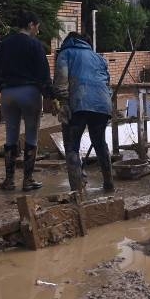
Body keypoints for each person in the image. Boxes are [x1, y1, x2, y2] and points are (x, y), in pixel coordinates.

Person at [0, 11, 53, 191]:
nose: (38, 31)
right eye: (37, 27)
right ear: (31, 25)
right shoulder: (36, 45)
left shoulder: (5, 44)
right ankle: (28, 180)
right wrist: (50, 95)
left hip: (8, 94)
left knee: (11, 134)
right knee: (31, 134)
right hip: (30, 93)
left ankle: (9, 180)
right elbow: (43, 75)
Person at [53, 31, 114, 193]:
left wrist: (63, 103)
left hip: (78, 104)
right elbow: (107, 82)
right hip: (102, 105)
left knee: (72, 147)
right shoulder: (98, 57)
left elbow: (60, 82)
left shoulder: (65, 54)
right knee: (100, 143)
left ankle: (77, 192)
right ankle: (109, 184)